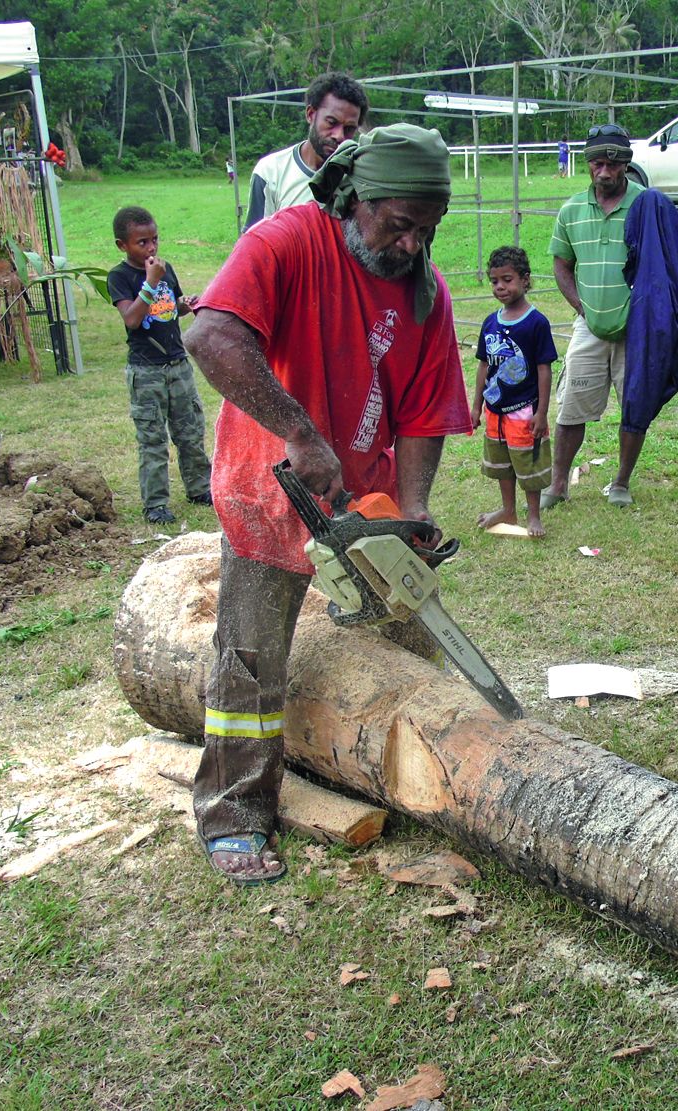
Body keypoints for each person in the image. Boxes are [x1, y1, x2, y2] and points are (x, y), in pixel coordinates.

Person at [184, 123, 472, 884]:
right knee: (250, 658)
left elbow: (427, 411)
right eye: (398, 225)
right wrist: (298, 430)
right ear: (355, 199)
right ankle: (232, 811)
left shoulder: (424, 292)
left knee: (411, 639)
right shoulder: (284, 243)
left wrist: (409, 512)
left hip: (365, 492)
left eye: (426, 229)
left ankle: (418, 776)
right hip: (270, 481)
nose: (412, 244)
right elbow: (210, 335)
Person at [542, 122, 645, 509]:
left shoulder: (644, 205)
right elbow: (561, 265)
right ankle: (558, 485)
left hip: (634, 329)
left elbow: (662, 265)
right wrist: (580, 306)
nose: (604, 172)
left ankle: (620, 482)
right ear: (588, 164)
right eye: (597, 163)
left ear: (626, 164)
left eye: (613, 164)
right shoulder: (571, 211)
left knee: (634, 408)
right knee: (571, 406)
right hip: (588, 328)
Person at [107, 205, 212, 525]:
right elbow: (132, 318)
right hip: (146, 371)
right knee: (152, 440)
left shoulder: (165, 269)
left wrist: (187, 303)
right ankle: (155, 503)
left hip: (177, 364)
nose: (151, 248)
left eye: (155, 240)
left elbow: (171, 306)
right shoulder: (120, 277)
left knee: (190, 432)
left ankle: (199, 487)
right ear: (122, 245)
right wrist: (150, 282)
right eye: (142, 243)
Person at [472, 245, 556, 538]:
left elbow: (544, 369)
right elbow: (484, 366)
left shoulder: (536, 323)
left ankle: (533, 515)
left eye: (507, 279)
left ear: (524, 279)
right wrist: (475, 407)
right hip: (494, 410)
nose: (500, 287)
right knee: (502, 463)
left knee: (527, 463)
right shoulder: (490, 323)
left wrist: (542, 413)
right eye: (495, 281)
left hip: (524, 409)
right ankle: (508, 509)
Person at [243, 72, 367, 230]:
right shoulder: (271, 172)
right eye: (331, 122)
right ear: (310, 114)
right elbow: (253, 244)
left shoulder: (360, 177)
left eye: (349, 129)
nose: (339, 135)